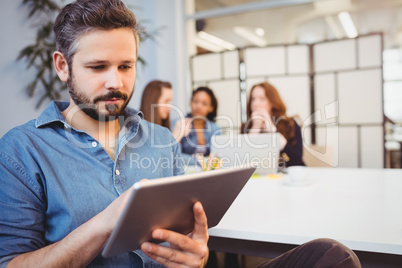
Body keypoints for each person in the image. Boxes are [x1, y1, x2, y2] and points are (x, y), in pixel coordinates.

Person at [0, 1, 209, 267]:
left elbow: (185, 245)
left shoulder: (163, 141)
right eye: (98, 67)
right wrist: (104, 224)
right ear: (62, 66)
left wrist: (196, 257)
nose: (116, 83)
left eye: (126, 66)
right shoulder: (21, 151)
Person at [242, 81, 305, 168]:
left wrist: (272, 130)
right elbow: (241, 161)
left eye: (262, 99)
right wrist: (255, 128)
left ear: (272, 102)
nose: (256, 104)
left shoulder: (290, 125)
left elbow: (296, 161)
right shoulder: (246, 127)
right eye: (253, 99)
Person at [172, 87, 221, 166]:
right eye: (195, 101)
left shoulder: (215, 129)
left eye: (204, 103)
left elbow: (217, 157)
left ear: (211, 108)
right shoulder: (179, 124)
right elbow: (175, 156)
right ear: (190, 102)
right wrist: (202, 161)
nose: (199, 106)